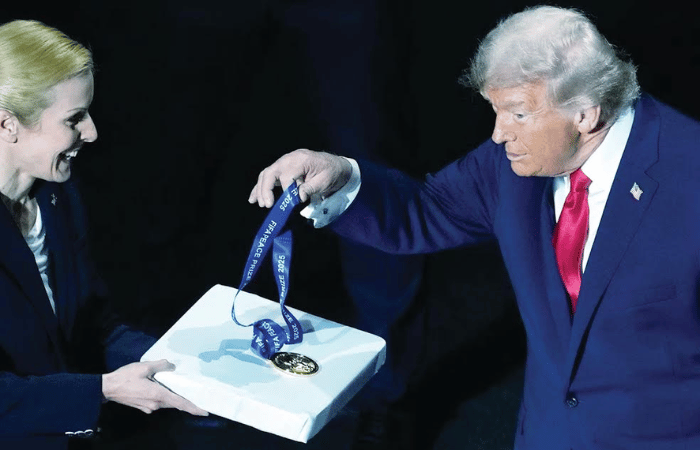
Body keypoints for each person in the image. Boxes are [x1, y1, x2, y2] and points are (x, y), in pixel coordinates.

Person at [249, 5, 700, 449]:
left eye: (518, 114)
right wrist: (340, 176)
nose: (499, 134)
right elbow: (426, 211)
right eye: (495, 110)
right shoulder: (509, 164)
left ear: (584, 114)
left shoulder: (690, 179)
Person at [0, 19, 207, 450]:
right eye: (74, 118)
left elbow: (92, 324)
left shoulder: (59, 195)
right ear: (7, 125)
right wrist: (103, 390)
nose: (91, 132)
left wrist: (181, 363)